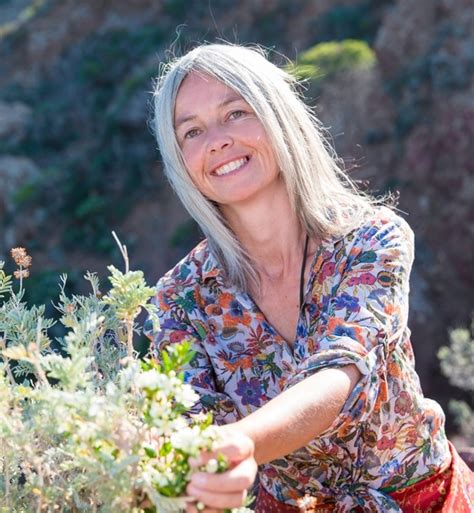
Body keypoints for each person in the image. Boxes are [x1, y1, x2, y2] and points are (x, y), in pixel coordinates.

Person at [146, 43, 473, 513]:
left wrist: (238, 443)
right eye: (191, 131)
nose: (216, 140)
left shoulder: (371, 238)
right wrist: (201, 468)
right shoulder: (179, 299)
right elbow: (188, 427)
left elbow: (338, 372)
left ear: (277, 115)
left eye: (236, 112)